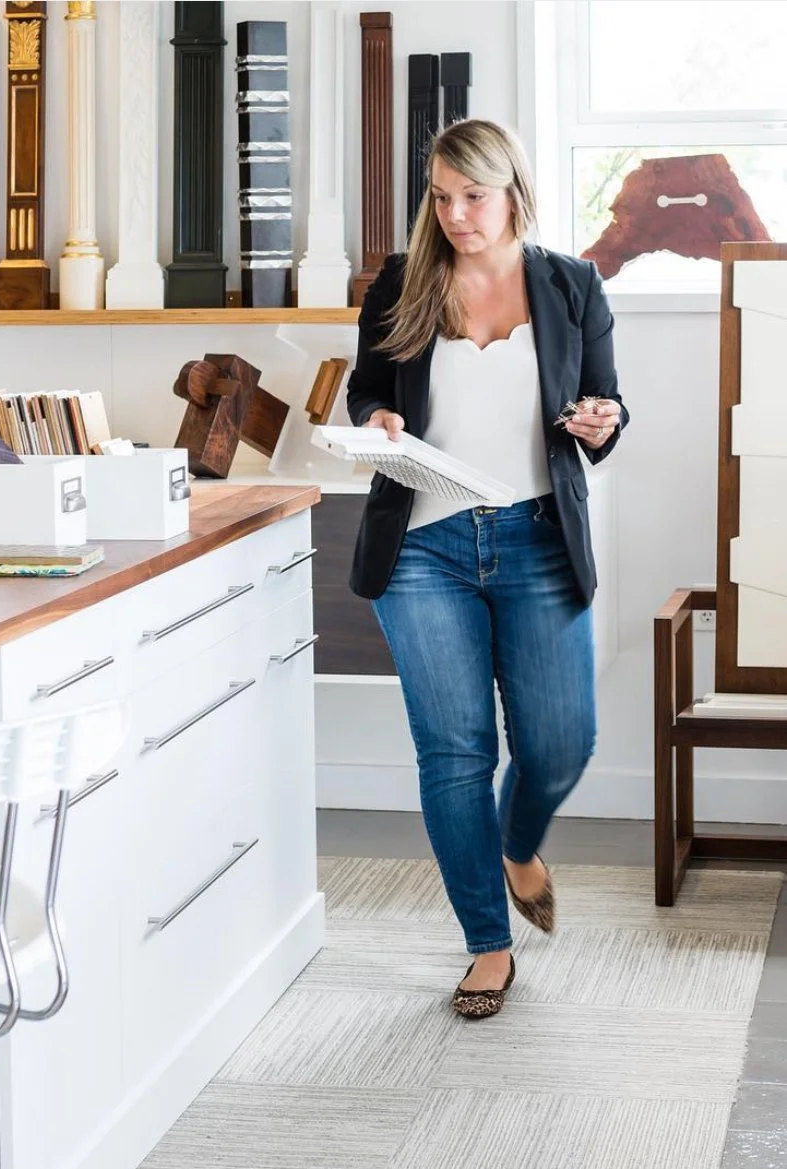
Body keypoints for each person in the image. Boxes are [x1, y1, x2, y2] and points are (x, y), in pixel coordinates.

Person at [346, 118, 628, 1020]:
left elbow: (607, 404)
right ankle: (486, 944)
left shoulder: (571, 283)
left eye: (472, 196)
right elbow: (366, 388)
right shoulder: (403, 281)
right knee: (455, 752)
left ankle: (517, 844)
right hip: (421, 548)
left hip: (537, 539)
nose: (455, 214)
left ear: (512, 192)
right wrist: (375, 420)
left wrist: (600, 421)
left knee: (560, 741)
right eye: (440, 197)